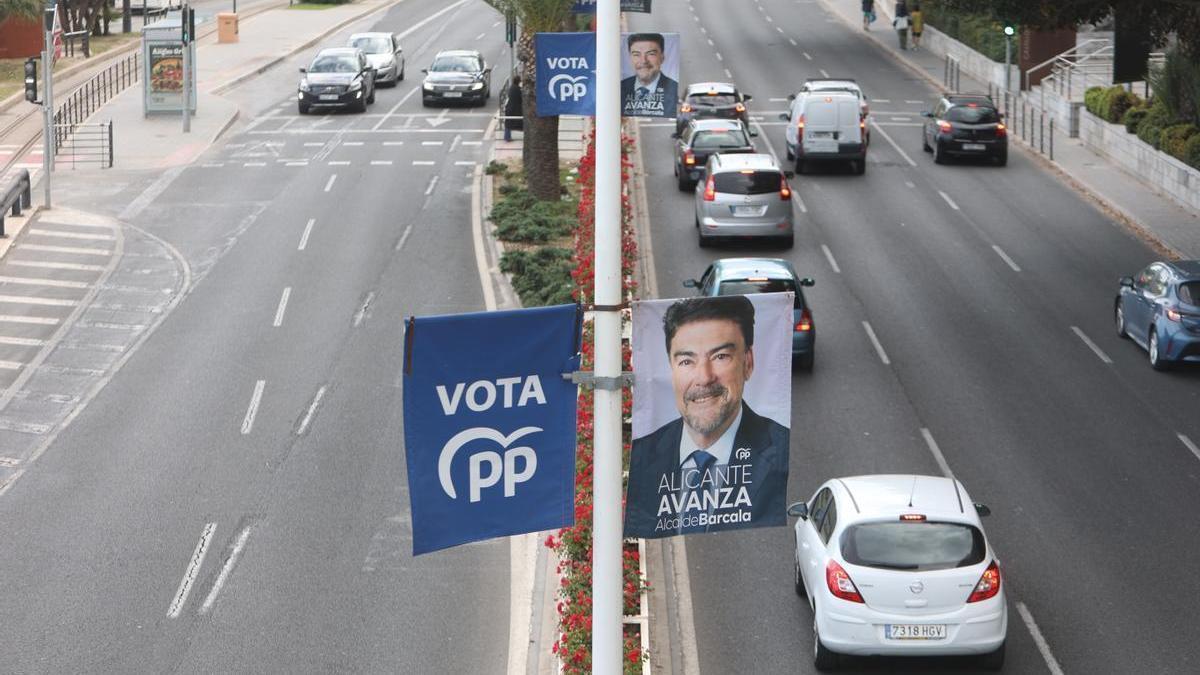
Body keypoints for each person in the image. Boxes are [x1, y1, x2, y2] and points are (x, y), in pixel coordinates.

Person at [624, 296, 789, 538]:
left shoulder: (778, 444)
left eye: (720, 356)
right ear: (671, 369)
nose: (704, 377)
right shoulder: (643, 454)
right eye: (686, 361)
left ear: (748, 363)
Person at [620, 32, 678, 118]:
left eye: (651, 54)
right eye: (636, 54)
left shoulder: (673, 90)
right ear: (630, 58)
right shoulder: (619, 88)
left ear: (662, 58)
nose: (643, 61)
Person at [502, 74, 522, 142]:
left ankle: (507, 137)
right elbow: (520, 98)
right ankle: (507, 137)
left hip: (509, 107)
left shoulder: (511, 88)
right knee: (519, 121)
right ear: (519, 81)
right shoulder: (518, 89)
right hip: (515, 109)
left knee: (508, 122)